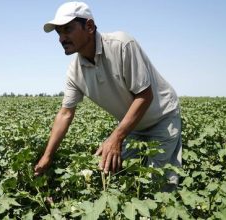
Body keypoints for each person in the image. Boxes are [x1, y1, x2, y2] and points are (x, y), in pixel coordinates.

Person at [34, 2, 182, 190]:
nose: (62, 38)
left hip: (162, 118)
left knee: (158, 184)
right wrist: (47, 156)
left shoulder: (122, 45)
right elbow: (65, 114)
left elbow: (145, 95)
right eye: (59, 33)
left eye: (68, 30)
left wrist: (116, 138)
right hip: (134, 125)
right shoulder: (75, 71)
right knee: (116, 172)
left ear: (89, 26)